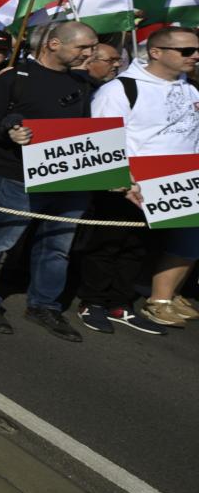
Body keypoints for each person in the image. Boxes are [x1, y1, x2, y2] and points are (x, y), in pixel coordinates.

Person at [0, 21, 97, 341]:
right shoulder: (14, 78)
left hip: (69, 178)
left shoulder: (84, 82)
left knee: (57, 247)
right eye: (83, 47)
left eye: (93, 47)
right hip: (14, 177)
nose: (91, 54)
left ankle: (44, 304)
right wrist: (10, 132)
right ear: (53, 44)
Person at [85, 27, 199, 328]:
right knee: (108, 244)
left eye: (197, 50)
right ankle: (93, 301)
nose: (195, 56)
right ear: (156, 52)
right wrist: (124, 180)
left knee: (139, 247)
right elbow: (102, 137)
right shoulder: (121, 89)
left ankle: (120, 304)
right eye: (186, 51)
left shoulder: (191, 89)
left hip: (170, 186)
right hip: (127, 184)